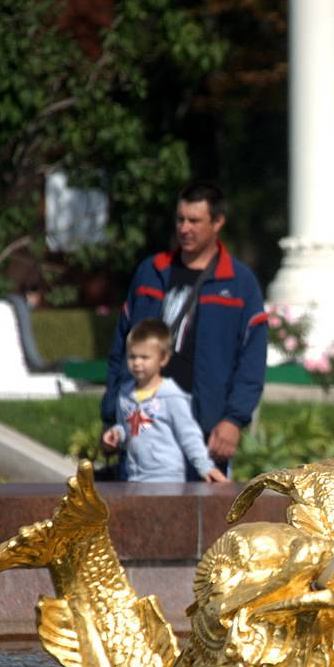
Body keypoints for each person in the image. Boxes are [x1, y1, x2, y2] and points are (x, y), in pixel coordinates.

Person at [101, 182, 266, 480]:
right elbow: (120, 348)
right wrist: (111, 414)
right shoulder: (151, 271)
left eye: (194, 221)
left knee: (203, 523)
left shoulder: (240, 282)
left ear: (217, 223)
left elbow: (252, 362)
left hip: (206, 430)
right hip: (144, 425)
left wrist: (232, 420)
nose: (185, 228)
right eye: (180, 219)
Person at [101, 321, 229, 484]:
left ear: (163, 359)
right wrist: (117, 434)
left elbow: (189, 435)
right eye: (132, 356)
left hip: (167, 479)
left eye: (144, 357)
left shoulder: (171, 396)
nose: (137, 363)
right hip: (134, 477)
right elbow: (127, 427)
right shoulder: (125, 395)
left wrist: (205, 466)